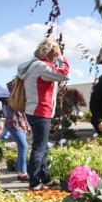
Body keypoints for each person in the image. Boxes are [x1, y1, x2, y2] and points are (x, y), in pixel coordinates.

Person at [18, 38, 70, 191]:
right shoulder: (42, 67)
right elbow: (65, 74)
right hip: (41, 111)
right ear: (49, 53)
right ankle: (34, 183)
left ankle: (45, 178)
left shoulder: (32, 65)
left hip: (33, 111)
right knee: (39, 148)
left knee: (42, 147)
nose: (55, 59)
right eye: (54, 56)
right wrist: (61, 57)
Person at [3, 96, 31, 181]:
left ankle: (21, 172)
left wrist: (27, 126)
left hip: (19, 124)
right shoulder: (16, 96)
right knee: (24, 147)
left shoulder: (20, 97)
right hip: (15, 124)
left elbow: (23, 114)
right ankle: (22, 172)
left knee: (22, 148)